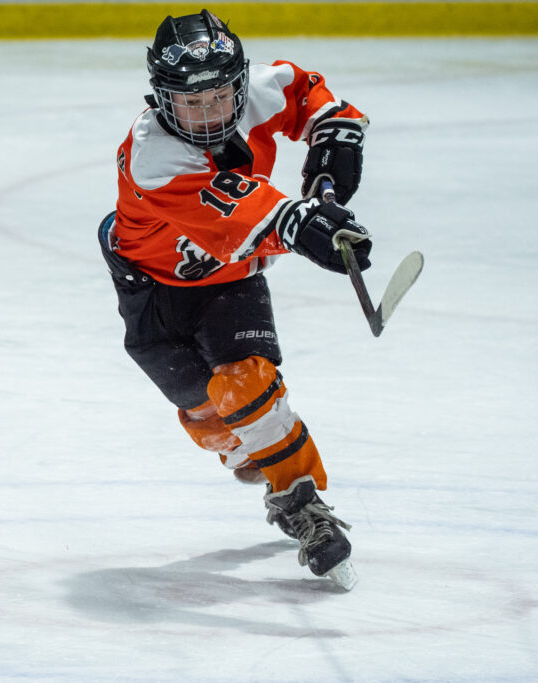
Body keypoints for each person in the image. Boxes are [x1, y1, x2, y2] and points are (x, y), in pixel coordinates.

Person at [98, 8, 372, 585]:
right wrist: (307, 223)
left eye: (220, 97)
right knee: (214, 421)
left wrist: (333, 137)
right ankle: (251, 451)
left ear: (239, 84)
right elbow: (250, 219)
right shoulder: (153, 157)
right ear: (162, 100)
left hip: (229, 281)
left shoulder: (260, 89)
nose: (207, 114)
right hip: (152, 292)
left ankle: (302, 503)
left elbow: (311, 96)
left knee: (246, 387)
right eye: (190, 103)